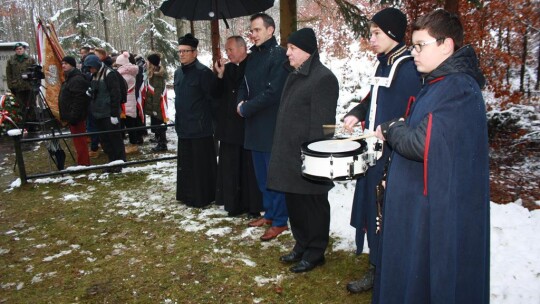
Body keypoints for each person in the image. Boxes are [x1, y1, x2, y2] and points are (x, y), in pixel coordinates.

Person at [371, 9, 490, 304]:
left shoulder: (459, 88)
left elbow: (423, 144)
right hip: (420, 208)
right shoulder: (438, 83)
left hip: (437, 214)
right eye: (413, 46)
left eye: (420, 45)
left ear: (446, 45)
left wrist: (390, 129)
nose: (414, 53)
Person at [341, 8, 422, 293]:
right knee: (371, 209)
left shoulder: (410, 68)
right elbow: (371, 98)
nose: (371, 39)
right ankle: (376, 265)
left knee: (383, 213)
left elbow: (413, 113)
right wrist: (356, 112)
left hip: (394, 156)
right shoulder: (383, 63)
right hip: (373, 151)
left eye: (376, 33)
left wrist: (389, 132)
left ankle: (385, 271)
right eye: (371, 33)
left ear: (392, 34)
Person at [267, 28, 339, 273]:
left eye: (292, 48)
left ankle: (316, 251)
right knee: (295, 204)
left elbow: (324, 124)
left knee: (313, 205)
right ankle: (301, 244)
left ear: (307, 50)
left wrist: (313, 158)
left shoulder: (323, 78)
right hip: (289, 154)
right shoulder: (295, 75)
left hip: (310, 158)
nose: (287, 53)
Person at [237, 13, 289, 241]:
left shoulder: (279, 56)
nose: (253, 34)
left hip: (271, 125)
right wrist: (239, 102)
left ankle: (280, 221)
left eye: (257, 30)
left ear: (271, 30)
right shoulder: (253, 56)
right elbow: (243, 84)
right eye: (251, 30)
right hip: (254, 125)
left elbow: (273, 93)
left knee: (273, 176)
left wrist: (246, 108)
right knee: (261, 176)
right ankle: (269, 213)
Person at [211, 36, 263, 218]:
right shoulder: (228, 68)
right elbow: (216, 94)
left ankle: (252, 205)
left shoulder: (254, 65)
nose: (228, 53)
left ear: (242, 48)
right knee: (231, 167)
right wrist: (219, 74)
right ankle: (233, 203)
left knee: (249, 168)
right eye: (226, 50)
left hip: (247, 125)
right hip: (229, 127)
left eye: (230, 49)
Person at [174, 33, 217, 208]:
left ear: (195, 53)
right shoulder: (178, 73)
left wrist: (205, 121)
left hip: (200, 128)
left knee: (201, 165)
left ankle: (203, 196)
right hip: (183, 126)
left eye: (186, 51)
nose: (182, 54)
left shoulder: (203, 73)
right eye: (180, 51)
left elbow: (213, 100)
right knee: (186, 164)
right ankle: (187, 195)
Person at [84, 54, 126, 172]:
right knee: (105, 140)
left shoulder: (109, 74)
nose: (90, 70)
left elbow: (115, 94)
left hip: (109, 113)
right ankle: (112, 162)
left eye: (91, 67)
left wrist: (113, 114)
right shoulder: (94, 75)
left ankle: (120, 162)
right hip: (98, 113)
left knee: (115, 139)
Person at [58, 56, 91, 166]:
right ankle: (81, 161)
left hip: (76, 116)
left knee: (80, 140)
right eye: (62, 63)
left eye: (66, 63)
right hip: (72, 114)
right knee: (78, 140)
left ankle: (83, 163)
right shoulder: (70, 77)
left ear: (72, 65)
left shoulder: (76, 79)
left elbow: (79, 99)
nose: (63, 65)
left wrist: (74, 116)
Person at [6, 42, 38, 130]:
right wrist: (11, 86)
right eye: (17, 49)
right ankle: (26, 123)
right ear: (15, 51)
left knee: (32, 105)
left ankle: (34, 124)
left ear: (24, 49)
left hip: (29, 86)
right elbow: (9, 74)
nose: (19, 50)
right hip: (18, 87)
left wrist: (36, 85)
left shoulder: (30, 59)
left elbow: (36, 72)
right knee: (22, 106)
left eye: (20, 49)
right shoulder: (11, 60)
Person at [116, 51, 143, 153]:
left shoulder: (125, 75)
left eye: (118, 64)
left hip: (127, 104)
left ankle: (133, 144)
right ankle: (132, 142)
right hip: (127, 103)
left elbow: (120, 87)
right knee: (128, 124)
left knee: (130, 125)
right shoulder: (127, 73)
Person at [143, 53, 168, 152]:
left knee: (159, 123)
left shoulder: (157, 76)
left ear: (152, 63)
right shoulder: (153, 72)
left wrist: (154, 107)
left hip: (157, 105)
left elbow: (157, 93)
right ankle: (158, 138)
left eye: (148, 61)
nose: (146, 63)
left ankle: (162, 144)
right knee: (155, 122)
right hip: (153, 103)